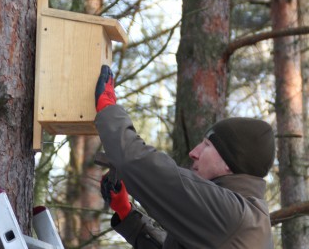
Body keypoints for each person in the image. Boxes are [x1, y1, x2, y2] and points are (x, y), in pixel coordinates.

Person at [94, 65, 275, 249]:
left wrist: (108, 109)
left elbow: (143, 166)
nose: (193, 153)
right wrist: (127, 214)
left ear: (230, 162)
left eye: (207, 145)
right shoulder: (243, 221)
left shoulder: (233, 216)